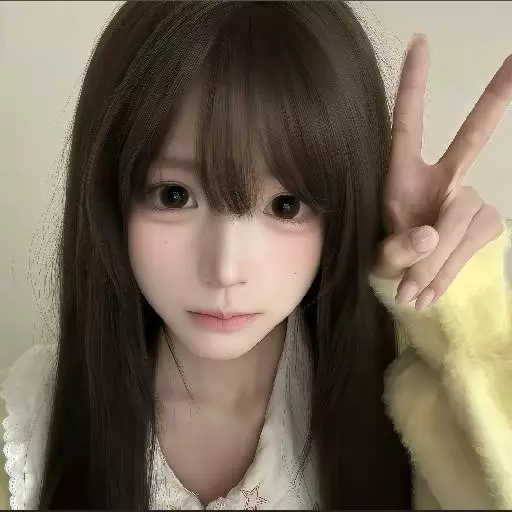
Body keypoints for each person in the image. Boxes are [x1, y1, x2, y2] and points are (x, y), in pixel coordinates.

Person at [1, 1, 511, 509]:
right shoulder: (32, 424)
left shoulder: (413, 402)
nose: (225, 270)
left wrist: (457, 310)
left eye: (285, 205)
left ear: (344, 210)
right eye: (174, 196)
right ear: (109, 197)